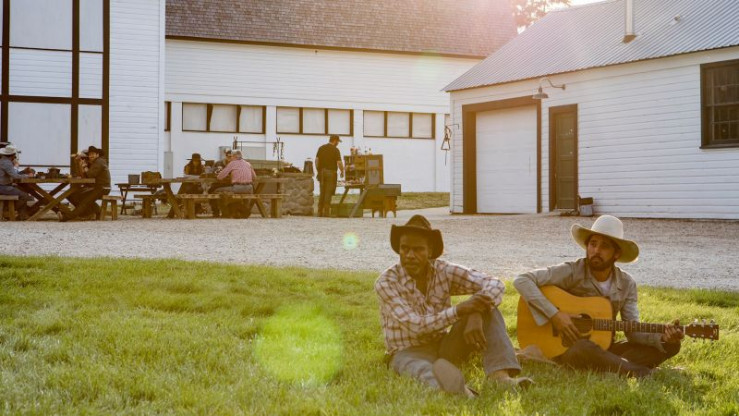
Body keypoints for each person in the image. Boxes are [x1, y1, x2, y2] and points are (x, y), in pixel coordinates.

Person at [375, 215, 532, 397]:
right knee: (420, 369)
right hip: (407, 351)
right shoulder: (386, 282)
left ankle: (501, 378)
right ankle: (459, 391)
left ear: (430, 251)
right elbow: (416, 325)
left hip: (444, 346)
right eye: (404, 248)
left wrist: (475, 312)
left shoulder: (442, 270)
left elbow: (495, 283)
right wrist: (460, 310)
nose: (410, 255)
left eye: (418, 249)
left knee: (488, 308)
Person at [514, 215, 683, 378]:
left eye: (604, 246)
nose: (596, 251)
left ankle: (613, 366)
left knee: (670, 347)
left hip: (604, 348)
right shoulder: (572, 271)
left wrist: (663, 338)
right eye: (593, 244)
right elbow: (522, 280)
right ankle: (635, 370)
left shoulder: (626, 284)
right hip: (571, 349)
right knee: (582, 348)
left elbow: (633, 332)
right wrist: (555, 315)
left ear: (616, 254)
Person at [62, 146, 111, 221]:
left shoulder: (99, 162)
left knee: (85, 201)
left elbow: (90, 175)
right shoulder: (94, 163)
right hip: (95, 187)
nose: (90, 156)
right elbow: (82, 175)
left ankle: (67, 217)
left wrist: (84, 166)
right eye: (89, 154)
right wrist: (78, 164)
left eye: (93, 154)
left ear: (97, 155)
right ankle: (89, 213)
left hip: (103, 188)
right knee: (71, 195)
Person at [213, 150, 257, 218]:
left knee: (216, 191)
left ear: (234, 156)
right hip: (249, 188)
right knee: (245, 195)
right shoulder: (248, 164)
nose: (230, 158)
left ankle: (225, 213)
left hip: (237, 188)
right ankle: (244, 211)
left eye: (231, 156)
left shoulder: (232, 163)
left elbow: (220, 177)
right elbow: (254, 177)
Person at [0, 145, 36, 219]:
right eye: (15, 155)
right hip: (3, 187)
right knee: (24, 196)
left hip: (4, 185)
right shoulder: (7, 163)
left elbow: (12, 174)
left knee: (24, 191)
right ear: (12, 155)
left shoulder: (4, 161)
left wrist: (23, 172)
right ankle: (8, 211)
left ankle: (22, 215)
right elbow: (15, 176)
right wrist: (28, 176)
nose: (15, 157)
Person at [315, 135, 344, 217]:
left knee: (322, 192)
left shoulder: (321, 148)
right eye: (338, 141)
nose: (338, 143)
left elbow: (316, 160)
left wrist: (318, 170)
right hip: (331, 173)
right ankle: (326, 212)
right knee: (328, 192)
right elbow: (339, 162)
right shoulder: (335, 150)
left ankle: (319, 212)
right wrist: (342, 171)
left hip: (322, 172)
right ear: (335, 140)